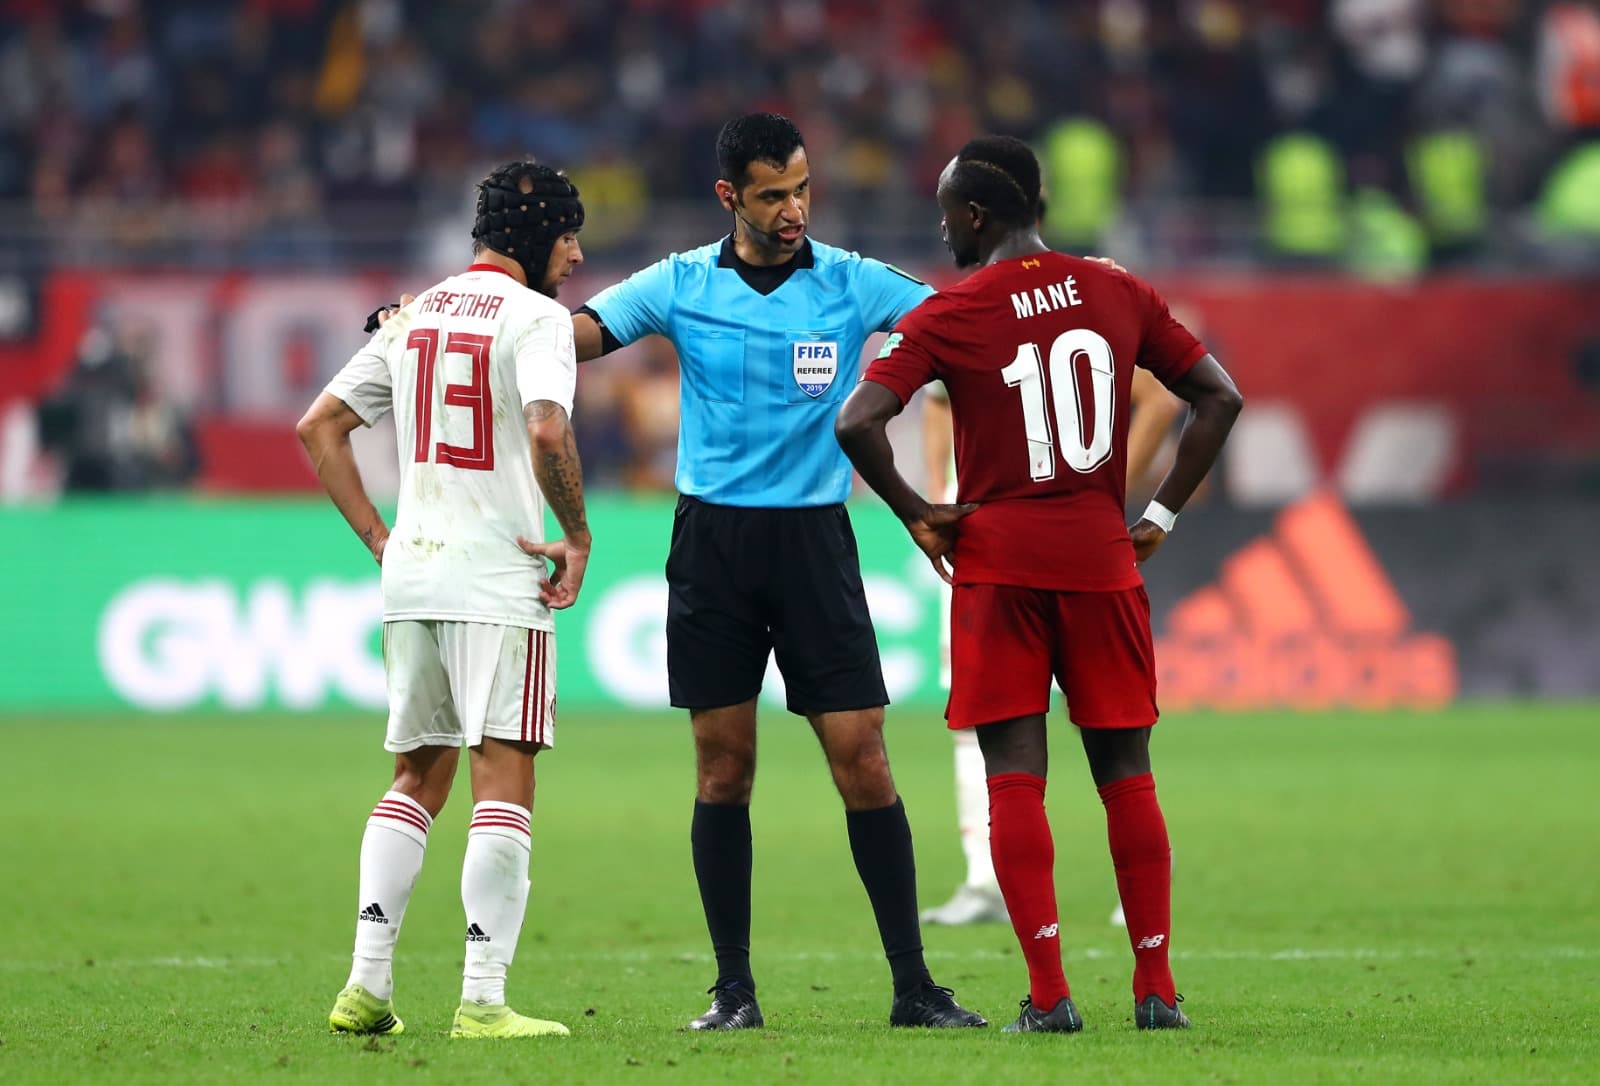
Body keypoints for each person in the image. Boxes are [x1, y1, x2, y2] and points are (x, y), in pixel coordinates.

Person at [569, 112, 985, 1031]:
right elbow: (574, 337)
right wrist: (455, 320)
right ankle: (734, 992)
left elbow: (962, 323)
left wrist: (1057, 288)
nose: (794, 209)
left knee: (863, 758)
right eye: (772, 195)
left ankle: (914, 988)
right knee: (724, 768)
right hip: (712, 547)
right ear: (730, 197)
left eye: (801, 189)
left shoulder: (853, 281)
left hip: (814, 544)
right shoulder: (679, 282)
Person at [836, 136, 1243, 1034]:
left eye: (947, 212)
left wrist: (919, 512)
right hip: (1101, 559)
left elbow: (858, 420)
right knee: (1127, 776)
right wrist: (1159, 515)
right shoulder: (1116, 289)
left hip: (1000, 567)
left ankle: (1051, 996)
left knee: (1014, 778)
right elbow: (1219, 396)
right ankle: (1157, 990)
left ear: (976, 214)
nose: (942, 228)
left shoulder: (949, 311)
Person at [297, 161, 592, 1040]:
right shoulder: (537, 318)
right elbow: (547, 429)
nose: (577, 255)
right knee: (505, 779)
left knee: (415, 777)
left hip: (413, 577)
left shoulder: (414, 312)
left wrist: (378, 539)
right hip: (498, 576)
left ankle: (366, 987)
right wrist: (576, 533)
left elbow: (319, 426)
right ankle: (483, 1000)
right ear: (536, 236)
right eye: (569, 236)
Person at [918, 367, 1182, 928]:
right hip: (986, 545)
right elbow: (937, 401)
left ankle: (1141, 871)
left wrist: (1106, 493)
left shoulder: (1078, 317)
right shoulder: (963, 324)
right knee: (981, 715)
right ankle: (985, 880)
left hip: (1059, 544)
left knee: (1103, 721)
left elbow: (1159, 402)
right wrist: (942, 493)